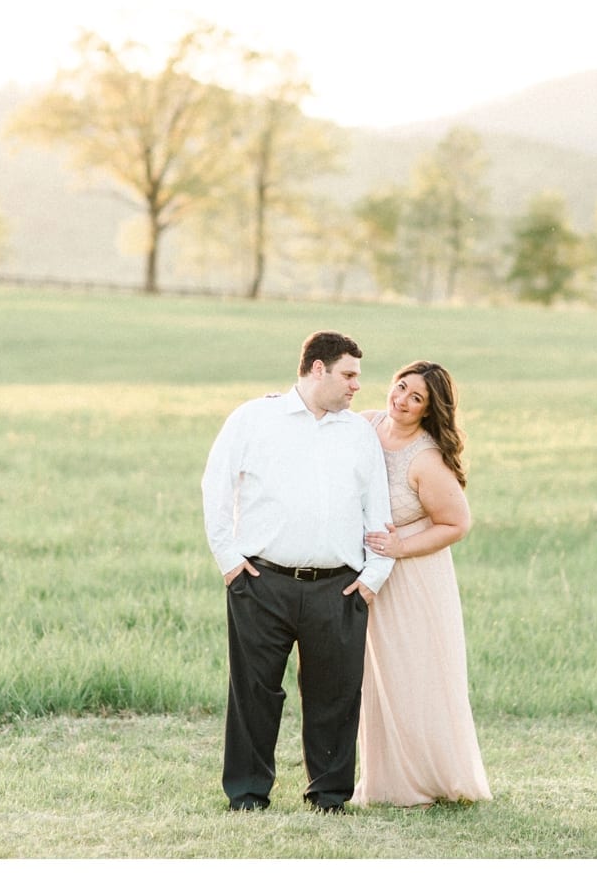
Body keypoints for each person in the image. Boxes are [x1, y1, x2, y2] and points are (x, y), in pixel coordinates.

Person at [201, 330, 395, 813]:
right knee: (254, 691)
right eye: (348, 375)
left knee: (336, 695)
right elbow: (216, 485)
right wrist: (230, 562)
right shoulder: (253, 418)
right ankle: (247, 793)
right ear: (316, 369)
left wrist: (372, 580)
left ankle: (328, 795)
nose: (356, 386)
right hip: (261, 582)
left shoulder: (358, 434)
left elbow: (380, 511)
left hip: (339, 588)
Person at [353, 361, 491, 807]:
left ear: (429, 411)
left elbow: (456, 523)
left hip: (413, 577)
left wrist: (398, 547)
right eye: (401, 387)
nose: (403, 400)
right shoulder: (367, 423)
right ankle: (383, 781)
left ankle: (427, 778)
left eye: (417, 399)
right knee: (375, 676)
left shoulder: (426, 459)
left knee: (412, 674)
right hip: (371, 572)